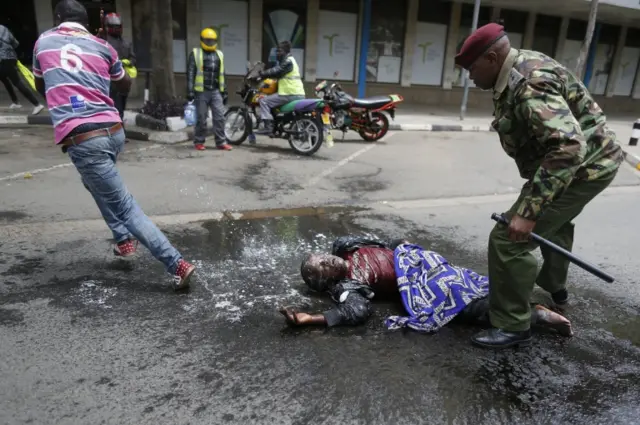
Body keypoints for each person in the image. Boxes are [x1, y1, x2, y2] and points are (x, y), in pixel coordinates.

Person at [454, 23, 622, 349]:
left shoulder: (529, 83)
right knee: (554, 226)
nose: (470, 77)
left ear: (491, 57)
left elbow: (568, 147)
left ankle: (513, 324)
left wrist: (529, 212)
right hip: (587, 162)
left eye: (472, 68)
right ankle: (556, 288)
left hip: (583, 167)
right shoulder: (520, 65)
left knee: (508, 239)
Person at [33, 0, 196, 290]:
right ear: (88, 23)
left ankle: (176, 263)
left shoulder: (44, 42)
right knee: (92, 183)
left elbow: (40, 86)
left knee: (124, 207)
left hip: (84, 137)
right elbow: (124, 85)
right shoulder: (103, 46)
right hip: (113, 131)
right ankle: (123, 241)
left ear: (58, 19)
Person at [279, 236, 573, 339]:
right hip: (420, 284)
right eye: (324, 267)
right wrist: (313, 319)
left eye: (324, 257)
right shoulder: (347, 286)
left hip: (420, 261)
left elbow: (385, 242)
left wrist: (402, 245)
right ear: (326, 281)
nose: (328, 261)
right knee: (459, 302)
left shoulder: (346, 247)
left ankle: (526, 304)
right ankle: (536, 315)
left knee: (469, 280)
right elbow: (356, 311)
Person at [186, 27, 231, 151]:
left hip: (216, 91)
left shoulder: (219, 54)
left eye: (212, 40)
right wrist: (189, 90)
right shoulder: (195, 53)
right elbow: (190, 73)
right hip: (201, 91)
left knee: (220, 117)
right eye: (208, 40)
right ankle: (199, 141)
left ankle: (221, 142)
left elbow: (222, 74)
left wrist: (225, 92)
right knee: (201, 117)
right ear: (202, 40)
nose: (210, 43)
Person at [252, 40, 305, 135]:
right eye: (277, 51)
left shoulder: (288, 61)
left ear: (286, 51)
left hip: (290, 93)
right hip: (294, 92)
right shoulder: (290, 60)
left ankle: (268, 127)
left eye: (279, 51)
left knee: (264, 101)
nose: (277, 53)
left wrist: (262, 74)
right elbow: (279, 73)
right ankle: (276, 124)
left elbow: (277, 70)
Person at [0, 24, 44, 114]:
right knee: (4, 79)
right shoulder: (3, 28)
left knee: (16, 82)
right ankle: (15, 102)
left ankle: (37, 104)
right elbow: (15, 43)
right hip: (11, 57)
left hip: (3, 59)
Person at [103, 12, 136, 119]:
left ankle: (119, 127)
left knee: (121, 107)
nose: (117, 29)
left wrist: (129, 62)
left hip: (124, 81)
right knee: (114, 109)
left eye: (118, 27)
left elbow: (133, 58)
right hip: (109, 82)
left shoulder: (126, 42)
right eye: (114, 27)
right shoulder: (103, 42)